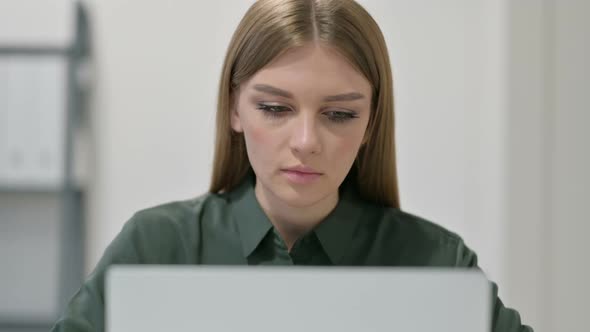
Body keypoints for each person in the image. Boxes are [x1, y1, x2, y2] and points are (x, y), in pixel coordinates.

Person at [52, 0, 533, 331]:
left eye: (340, 114)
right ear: (234, 108)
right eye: (276, 109)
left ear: (371, 124)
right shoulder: (156, 246)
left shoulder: (437, 264)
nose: (305, 143)